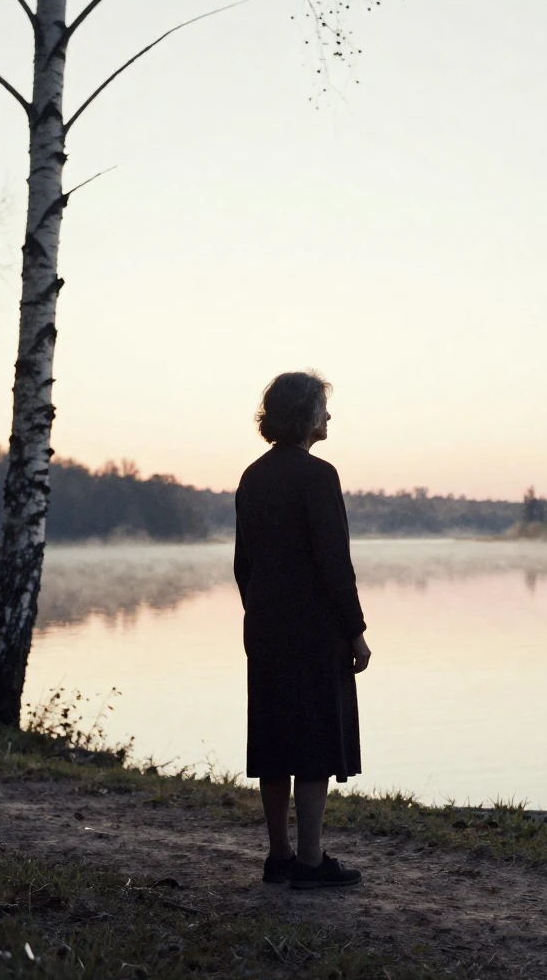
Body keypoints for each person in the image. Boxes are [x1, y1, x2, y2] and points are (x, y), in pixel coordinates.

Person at [234, 370, 372, 890]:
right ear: (306, 416)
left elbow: (243, 564)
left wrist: (261, 614)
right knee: (314, 741)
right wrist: (354, 631)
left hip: (266, 630)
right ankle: (311, 862)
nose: (330, 416)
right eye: (323, 407)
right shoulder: (319, 476)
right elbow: (333, 563)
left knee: (274, 739)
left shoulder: (252, 476)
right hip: (315, 633)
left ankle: (278, 857)